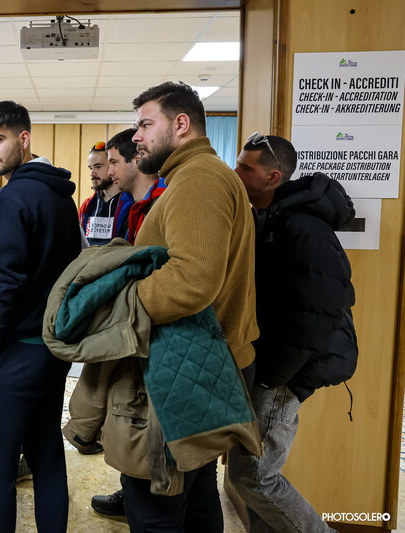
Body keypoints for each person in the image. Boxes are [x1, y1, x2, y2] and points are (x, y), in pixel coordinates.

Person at [119, 81, 259, 531]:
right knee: (196, 498)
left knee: (155, 508)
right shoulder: (199, 175)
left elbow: (191, 281)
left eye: (145, 124)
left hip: (188, 370)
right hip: (201, 365)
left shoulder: (198, 180)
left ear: (181, 124)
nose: (136, 136)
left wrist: (121, 305)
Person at [228, 134, 357, 533]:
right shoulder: (269, 219)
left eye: (246, 167)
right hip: (272, 365)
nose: (236, 171)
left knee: (255, 478)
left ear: (273, 177)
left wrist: (272, 377)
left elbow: (315, 314)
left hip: (285, 372)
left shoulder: (302, 228)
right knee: (250, 474)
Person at [0, 100, 82, 533]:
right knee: (46, 459)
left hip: (17, 353)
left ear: (24, 139)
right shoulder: (60, 195)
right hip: (51, 350)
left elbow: (5, 285)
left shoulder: (11, 198)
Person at [87, 127, 168, 518]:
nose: (107, 171)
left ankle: (140, 499)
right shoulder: (128, 205)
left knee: (144, 429)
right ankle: (131, 491)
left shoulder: (160, 203)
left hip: (151, 333)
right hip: (127, 324)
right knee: (129, 420)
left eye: (113, 162)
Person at [104, 128, 166, 245]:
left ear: (137, 159)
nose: (110, 172)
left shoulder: (165, 204)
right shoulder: (130, 207)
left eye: (114, 163)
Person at [78, 141, 132, 245]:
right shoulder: (87, 206)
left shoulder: (130, 203)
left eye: (98, 167)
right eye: (90, 168)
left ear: (112, 165)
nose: (92, 173)